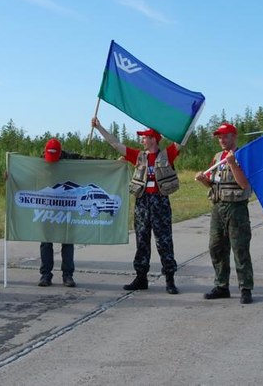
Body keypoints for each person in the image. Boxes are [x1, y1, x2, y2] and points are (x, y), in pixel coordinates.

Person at [91, 117, 181, 294]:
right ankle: (141, 278)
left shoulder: (167, 154)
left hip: (160, 202)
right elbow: (116, 144)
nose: (142, 140)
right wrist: (99, 127)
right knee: (142, 241)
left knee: (164, 242)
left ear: (153, 139)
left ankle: (170, 279)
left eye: (145, 137)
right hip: (142, 202)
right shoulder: (138, 156)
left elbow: (181, 140)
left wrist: (188, 120)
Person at [195, 122, 254, 304]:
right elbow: (213, 184)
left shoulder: (243, 155)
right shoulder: (217, 157)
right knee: (216, 248)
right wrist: (202, 180)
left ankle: (245, 288)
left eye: (225, 136)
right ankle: (221, 285)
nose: (221, 140)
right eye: (219, 137)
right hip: (218, 208)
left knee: (240, 249)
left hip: (236, 209)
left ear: (234, 136)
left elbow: (245, 185)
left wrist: (233, 164)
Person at [37, 138, 93, 288]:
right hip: (47, 207)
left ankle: (67, 275)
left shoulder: (72, 159)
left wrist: (113, 163)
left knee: (67, 240)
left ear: (61, 153)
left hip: (68, 205)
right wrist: (10, 175)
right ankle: (45, 275)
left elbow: (92, 163)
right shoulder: (38, 161)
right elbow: (25, 174)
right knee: (46, 241)